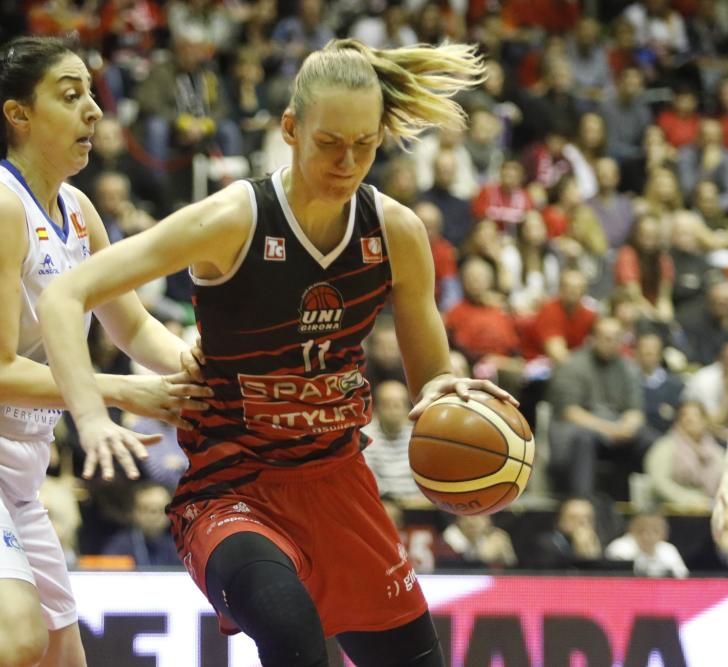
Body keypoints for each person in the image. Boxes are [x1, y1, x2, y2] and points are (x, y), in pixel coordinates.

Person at [38, 38, 515, 667]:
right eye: (329, 142)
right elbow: (65, 295)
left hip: (341, 484)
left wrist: (448, 394)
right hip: (233, 485)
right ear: (290, 129)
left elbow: (431, 379)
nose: (348, 161)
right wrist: (94, 413)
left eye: (365, 145)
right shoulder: (234, 217)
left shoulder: (396, 231)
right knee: (293, 637)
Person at [0, 37, 211, 667]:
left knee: (59, 659)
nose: (94, 111)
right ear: (18, 115)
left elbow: (135, 330)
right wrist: (120, 392)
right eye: (71, 94)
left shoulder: (78, 211)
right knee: (13, 639)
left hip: (14, 477)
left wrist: (212, 372)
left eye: (91, 94)